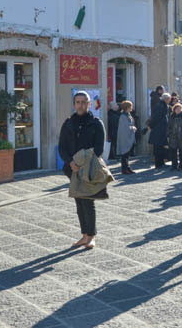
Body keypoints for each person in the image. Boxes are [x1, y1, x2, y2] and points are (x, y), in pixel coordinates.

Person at [58, 91, 106, 249]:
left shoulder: (96, 123)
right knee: (79, 202)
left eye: (84, 102)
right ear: (74, 104)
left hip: (89, 169)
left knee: (88, 201)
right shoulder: (68, 123)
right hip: (72, 169)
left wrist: (83, 163)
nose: (81, 105)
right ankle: (84, 235)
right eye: (78, 102)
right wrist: (70, 162)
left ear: (89, 104)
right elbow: (62, 147)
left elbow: (99, 149)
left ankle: (91, 236)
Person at [147, 93, 170, 170]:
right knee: (158, 148)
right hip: (158, 130)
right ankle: (158, 163)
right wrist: (150, 126)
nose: (169, 100)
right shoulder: (160, 106)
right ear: (166, 99)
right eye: (169, 99)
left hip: (161, 130)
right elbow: (155, 118)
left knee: (161, 147)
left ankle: (161, 162)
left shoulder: (163, 106)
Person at [116, 100, 137, 175]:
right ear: (127, 107)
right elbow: (125, 127)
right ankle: (124, 169)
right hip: (125, 138)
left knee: (127, 155)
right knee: (124, 154)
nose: (132, 108)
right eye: (130, 106)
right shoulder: (123, 116)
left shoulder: (128, 114)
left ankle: (127, 168)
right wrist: (133, 128)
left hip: (129, 137)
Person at [167, 103, 182, 170]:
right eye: (176, 109)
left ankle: (181, 166)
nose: (178, 110)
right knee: (173, 152)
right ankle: (174, 165)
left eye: (179, 108)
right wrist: (168, 134)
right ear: (174, 109)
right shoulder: (172, 116)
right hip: (173, 137)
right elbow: (168, 126)